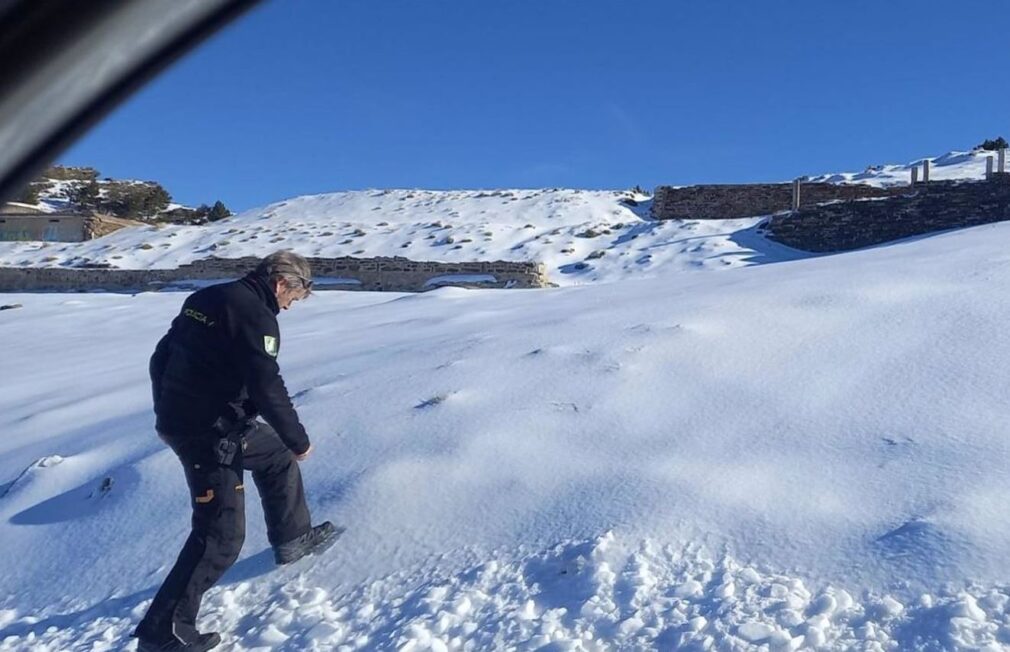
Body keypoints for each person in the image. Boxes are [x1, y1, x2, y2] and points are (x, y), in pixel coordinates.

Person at [134, 250, 340, 652]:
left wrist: (166, 415)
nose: (288, 306)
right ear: (281, 283)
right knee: (221, 535)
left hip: (204, 422)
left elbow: (160, 358)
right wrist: (299, 438)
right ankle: (163, 631)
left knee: (275, 455)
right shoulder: (255, 316)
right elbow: (266, 384)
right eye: (292, 299)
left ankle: (293, 538)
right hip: (208, 434)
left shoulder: (206, 298)